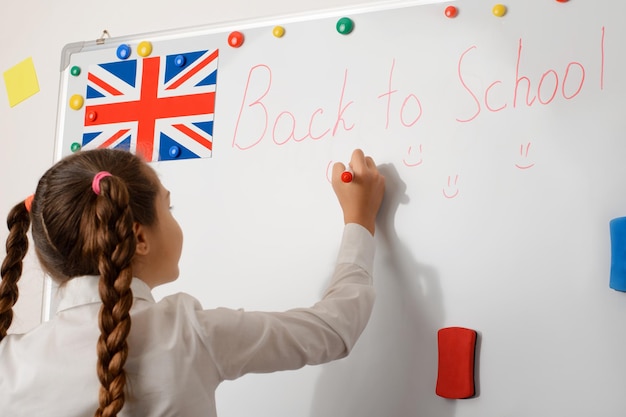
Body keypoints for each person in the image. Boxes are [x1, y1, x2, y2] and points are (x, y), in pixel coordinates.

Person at [0, 147, 385, 417]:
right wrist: (360, 220)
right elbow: (333, 329)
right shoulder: (187, 332)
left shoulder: (9, 363)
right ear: (138, 238)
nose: (174, 218)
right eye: (169, 207)